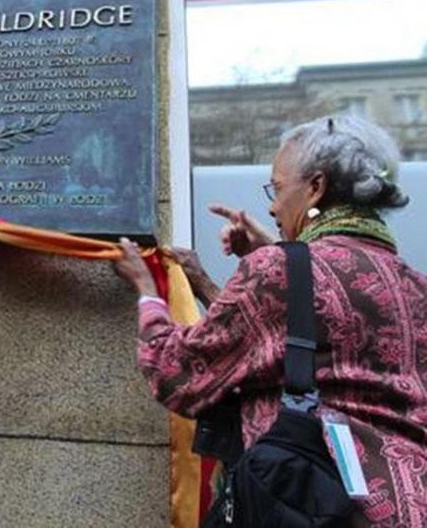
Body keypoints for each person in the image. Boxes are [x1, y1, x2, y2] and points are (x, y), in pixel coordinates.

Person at [113, 115, 426, 527]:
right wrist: (257, 265)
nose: (273, 206)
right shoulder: (415, 284)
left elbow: (178, 372)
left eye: (277, 188)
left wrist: (147, 292)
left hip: (313, 506)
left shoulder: (279, 269)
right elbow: (293, 345)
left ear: (316, 186)